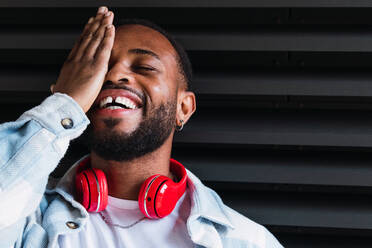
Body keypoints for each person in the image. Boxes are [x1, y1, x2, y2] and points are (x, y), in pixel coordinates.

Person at [0, 6, 283, 248]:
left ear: (183, 108)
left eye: (145, 67)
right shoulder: (26, 218)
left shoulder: (247, 241)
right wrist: (66, 102)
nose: (115, 74)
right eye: (101, 68)